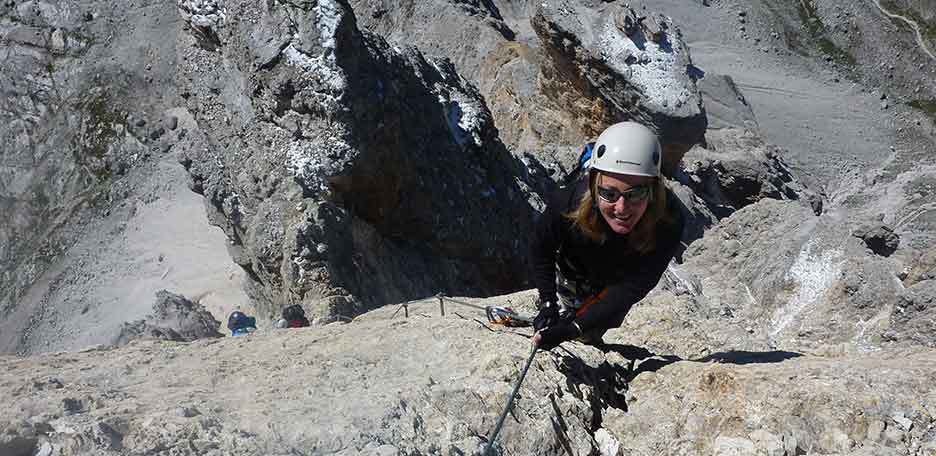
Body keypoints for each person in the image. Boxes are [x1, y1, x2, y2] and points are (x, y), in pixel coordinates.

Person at [530, 121, 685, 351]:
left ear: (653, 190)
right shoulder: (567, 204)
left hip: (618, 276)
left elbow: (632, 288)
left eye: (636, 193)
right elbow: (541, 248)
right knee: (578, 321)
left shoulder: (668, 221)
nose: (621, 208)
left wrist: (574, 329)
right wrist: (548, 302)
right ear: (593, 186)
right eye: (609, 193)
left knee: (591, 332)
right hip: (576, 268)